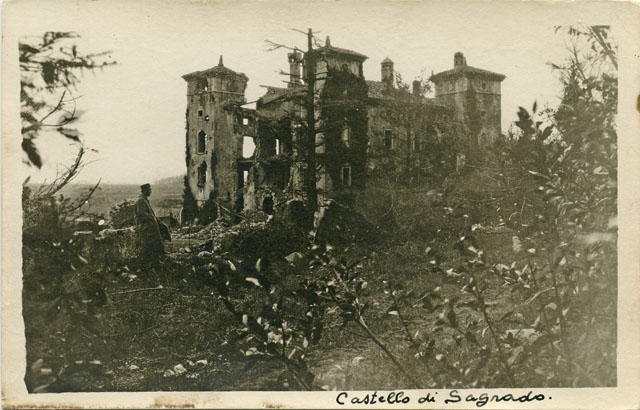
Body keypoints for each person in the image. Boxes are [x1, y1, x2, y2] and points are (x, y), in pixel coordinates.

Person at [134, 183, 165, 268]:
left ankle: (156, 260)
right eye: (149, 190)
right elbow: (141, 214)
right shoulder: (141, 200)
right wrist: (151, 218)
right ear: (145, 190)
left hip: (149, 226)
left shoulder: (144, 199)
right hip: (146, 228)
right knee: (149, 246)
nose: (151, 191)